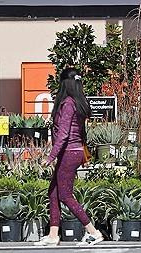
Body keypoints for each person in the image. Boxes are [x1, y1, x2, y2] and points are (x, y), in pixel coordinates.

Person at [35, 68, 104, 246]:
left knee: (65, 195)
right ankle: (53, 235)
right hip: (75, 151)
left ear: (64, 83)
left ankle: (93, 232)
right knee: (53, 193)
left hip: (68, 152)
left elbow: (64, 134)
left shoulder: (67, 104)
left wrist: (49, 157)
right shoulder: (78, 103)